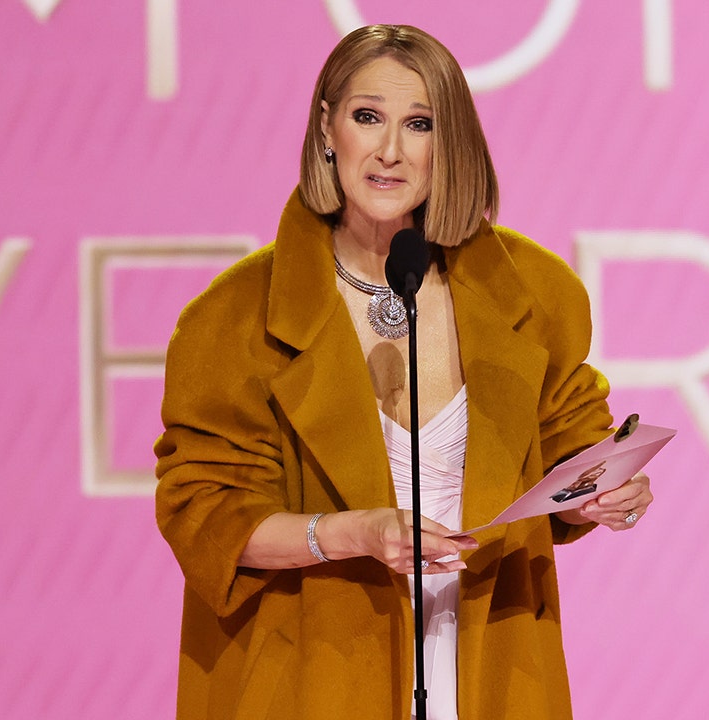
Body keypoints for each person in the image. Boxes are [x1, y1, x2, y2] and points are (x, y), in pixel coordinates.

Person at [154, 24, 653, 720]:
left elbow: (573, 441)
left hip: (490, 667)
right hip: (310, 677)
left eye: (419, 124)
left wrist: (603, 493)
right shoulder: (232, 318)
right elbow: (205, 516)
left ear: (447, 145)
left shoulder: (535, 292)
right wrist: (353, 533)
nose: (390, 150)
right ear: (327, 128)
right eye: (368, 117)